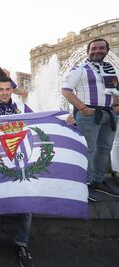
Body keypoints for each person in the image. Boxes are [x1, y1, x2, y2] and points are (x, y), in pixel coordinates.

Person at [0, 77, 33, 267]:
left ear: (12, 90)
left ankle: (22, 245)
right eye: (0, 89)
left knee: (26, 208)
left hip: (21, 164)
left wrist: (64, 119)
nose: (4, 92)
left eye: (7, 89)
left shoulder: (23, 108)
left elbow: (43, 121)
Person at [62, 38, 119, 200]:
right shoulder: (81, 68)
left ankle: (98, 181)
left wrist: (117, 105)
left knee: (104, 149)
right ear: (88, 51)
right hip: (89, 115)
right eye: (93, 48)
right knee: (87, 149)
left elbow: (114, 91)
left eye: (101, 48)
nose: (97, 51)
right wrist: (83, 108)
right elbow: (66, 90)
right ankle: (83, 185)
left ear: (107, 51)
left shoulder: (109, 69)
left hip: (109, 115)